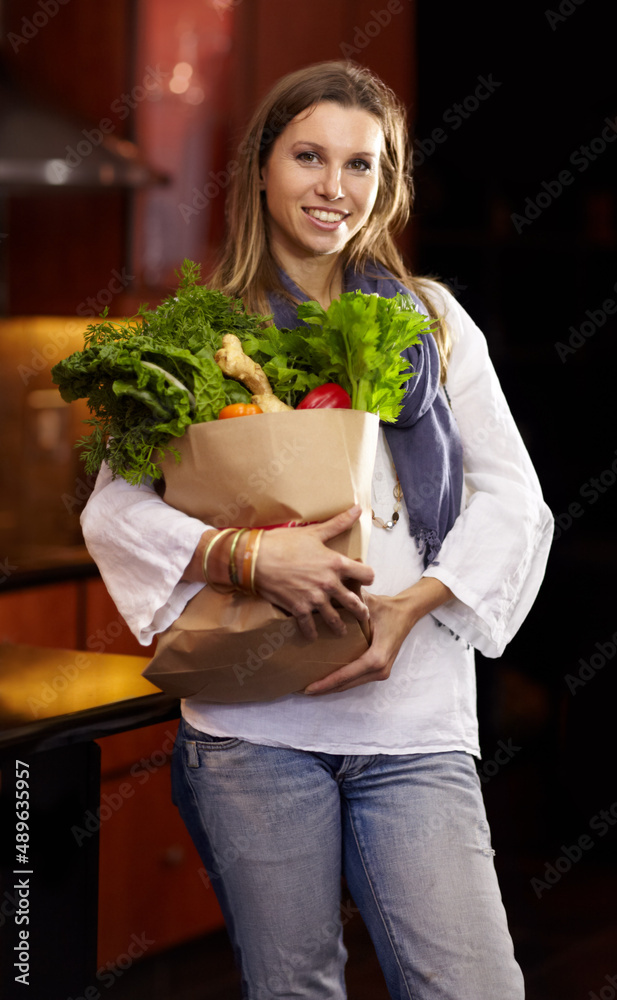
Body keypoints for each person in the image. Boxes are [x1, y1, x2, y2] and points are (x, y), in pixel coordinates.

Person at [81, 61, 553, 999]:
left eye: (361, 165)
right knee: (294, 989)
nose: (334, 188)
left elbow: (512, 500)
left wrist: (409, 608)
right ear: (261, 167)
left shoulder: (434, 324)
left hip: (413, 721)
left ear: (389, 184)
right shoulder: (200, 330)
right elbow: (114, 508)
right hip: (253, 727)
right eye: (308, 156)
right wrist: (247, 556)